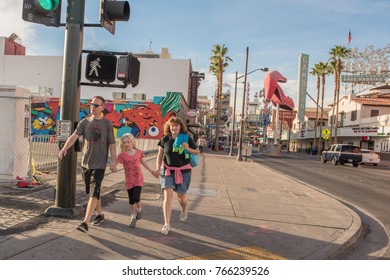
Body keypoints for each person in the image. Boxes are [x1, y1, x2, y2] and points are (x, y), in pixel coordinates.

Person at [58, 96, 117, 233]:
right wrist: (64, 148)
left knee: (94, 191)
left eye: (96, 105)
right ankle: (100, 214)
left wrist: (114, 161)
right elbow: (74, 136)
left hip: (100, 164)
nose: (93, 107)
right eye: (91, 105)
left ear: (102, 107)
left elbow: (112, 144)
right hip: (86, 163)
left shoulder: (107, 124)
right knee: (93, 192)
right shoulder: (84, 122)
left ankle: (85, 222)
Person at [155, 117, 199, 235]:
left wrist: (187, 148)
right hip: (168, 171)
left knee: (181, 198)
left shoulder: (186, 138)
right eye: (172, 125)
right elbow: (159, 156)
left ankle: (184, 209)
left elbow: (197, 151)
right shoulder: (164, 139)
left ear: (180, 127)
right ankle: (166, 223)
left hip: (183, 172)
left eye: (176, 125)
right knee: (167, 196)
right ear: (169, 127)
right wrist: (158, 169)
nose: (174, 127)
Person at [116, 133, 158, 228]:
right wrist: (113, 166)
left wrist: (152, 171)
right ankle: (133, 216)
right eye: (124, 142)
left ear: (132, 142)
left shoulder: (139, 152)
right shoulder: (122, 155)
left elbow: (143, 163)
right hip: (129, 180)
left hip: (138, 179)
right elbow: (115, 163)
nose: (126, 144)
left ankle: (139, 208)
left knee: (136, 198)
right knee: (131, 200)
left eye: (128, 142)